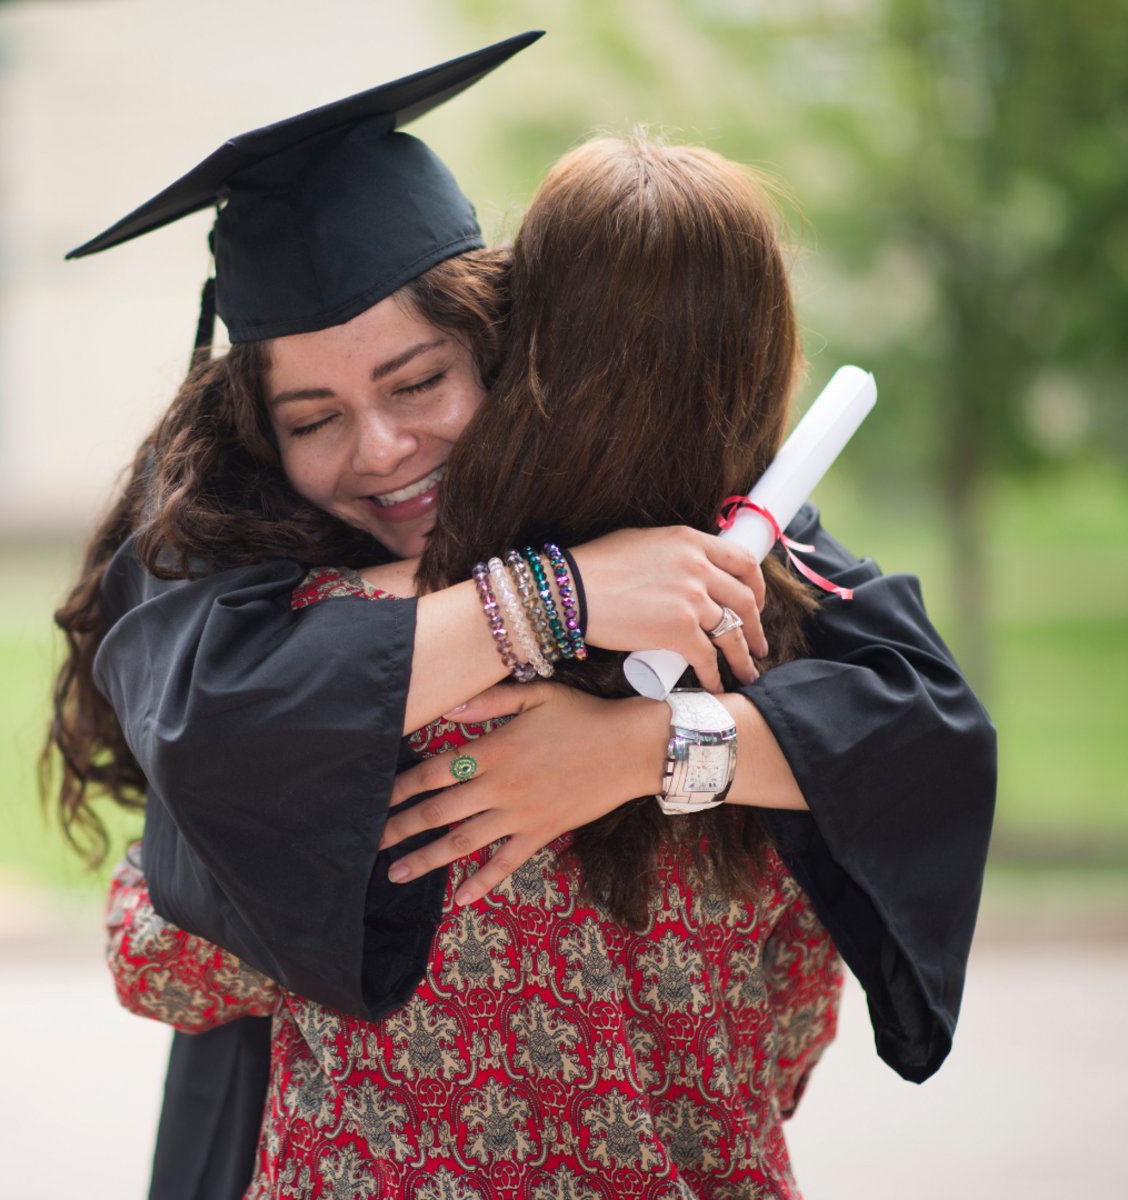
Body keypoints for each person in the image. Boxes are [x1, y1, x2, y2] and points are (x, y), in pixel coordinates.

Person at [48, 31, 995, 1200]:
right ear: (257, 435)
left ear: (502, 346)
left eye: (419, 381)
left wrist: (642, 748)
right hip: (260, 1103)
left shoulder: (695, 545)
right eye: (312, 419)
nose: (382, 451)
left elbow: (919, 714)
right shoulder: (218, 547)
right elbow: (209, 775)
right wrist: (563, 596)